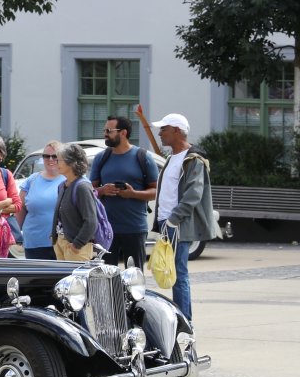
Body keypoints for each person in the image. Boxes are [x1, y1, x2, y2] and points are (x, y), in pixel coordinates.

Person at [149, 112, 219, 320]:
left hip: (177, 224)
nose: (160, 133)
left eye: (164, 129)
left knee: (178, 273)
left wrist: (174, 219)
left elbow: (193, 193)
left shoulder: (193, 159)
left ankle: (184, 321)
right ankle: (180, 318)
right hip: (167, 223)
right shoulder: (172, 158)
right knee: (169, 271)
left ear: (177, 131)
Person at [90, 115, 158, 270]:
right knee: (106, 276)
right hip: (106, 229)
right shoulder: (101, 158)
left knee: (134, 276)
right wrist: (103, 190)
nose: (105, 134)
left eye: (109, 130)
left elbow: (156, 191)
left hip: (134, 228)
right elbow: (89, 191)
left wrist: (133, 194)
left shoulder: (143, 157)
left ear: (123, 133)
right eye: (104, 130)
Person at [16, 140, 66, 260]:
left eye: (54, 156)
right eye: (46, 156)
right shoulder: (32, 180)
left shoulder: (69, 179)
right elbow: (20, 208)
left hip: (63, 243)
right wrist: (16, 235)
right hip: (34, 243)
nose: (50, 159)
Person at [53, 142, 99, 262]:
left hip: (77, 248)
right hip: (61, 243)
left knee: (77, 275)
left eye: (59, 160)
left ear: (71, 163)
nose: (56, 163)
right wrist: (55, 238)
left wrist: (77, 244)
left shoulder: (82, 187)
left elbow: (91, 221)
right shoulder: (62, 186)